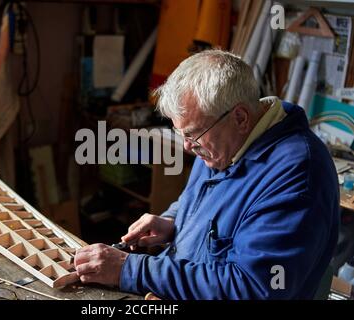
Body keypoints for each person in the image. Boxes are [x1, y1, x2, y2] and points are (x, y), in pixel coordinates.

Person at [74, 50, 340, 299]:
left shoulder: (297, 174)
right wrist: (172, 222)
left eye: (193, 134)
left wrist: (130, 270)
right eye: (182, 134)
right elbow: (202, 202)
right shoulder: (223, 141)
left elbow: (251, 287)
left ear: (240, 117)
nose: (188, 146)